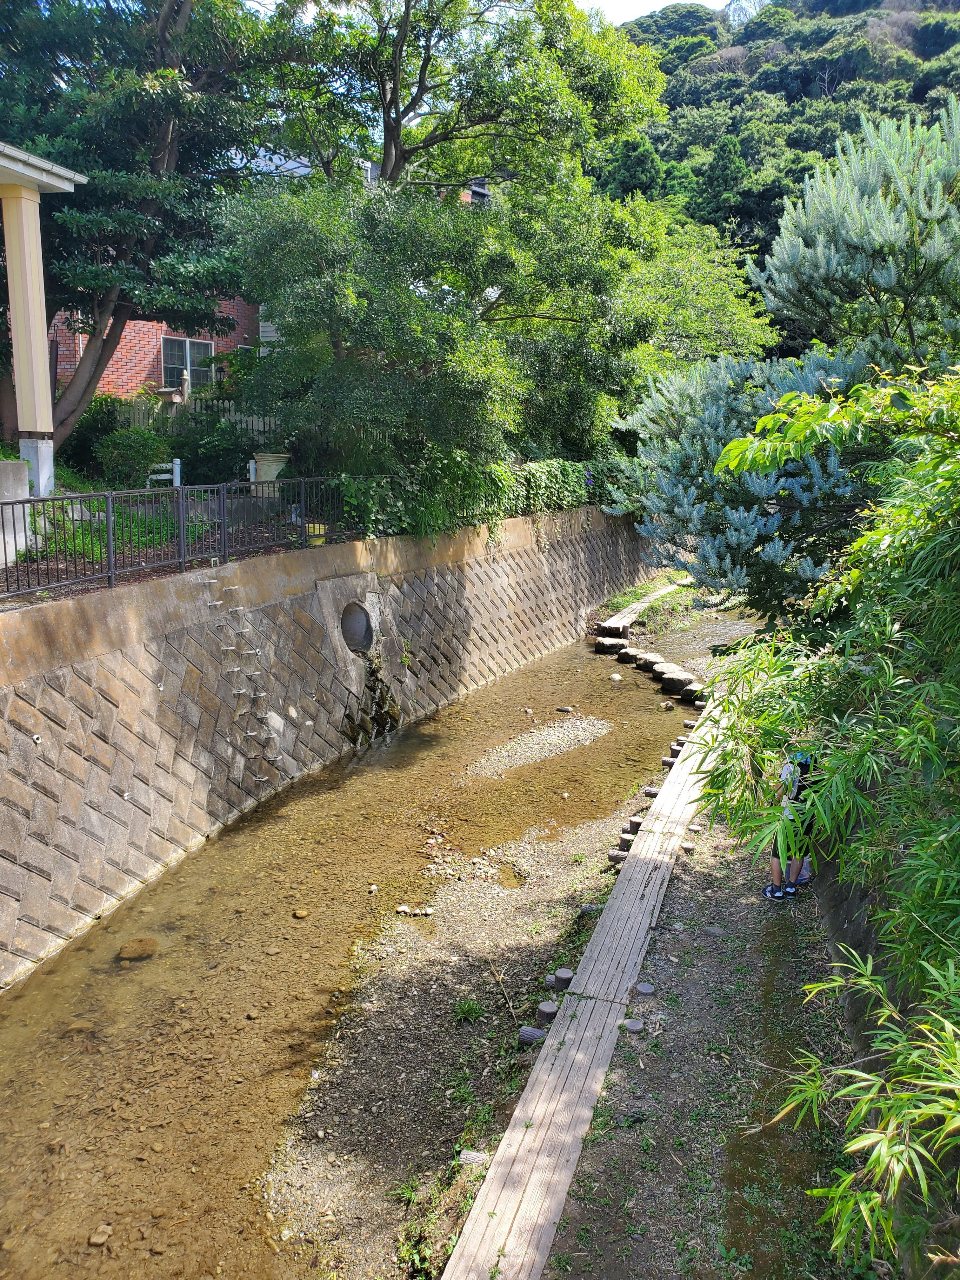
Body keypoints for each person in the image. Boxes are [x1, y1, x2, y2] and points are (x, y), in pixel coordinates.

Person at [762, 750, 813, 901]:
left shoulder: (791, 767)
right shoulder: (818, 767)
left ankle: (776, 890)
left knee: (777, 853)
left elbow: (780, 792)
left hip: (789, 816)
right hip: (808, 816)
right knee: (799, 852)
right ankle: (791, 887)